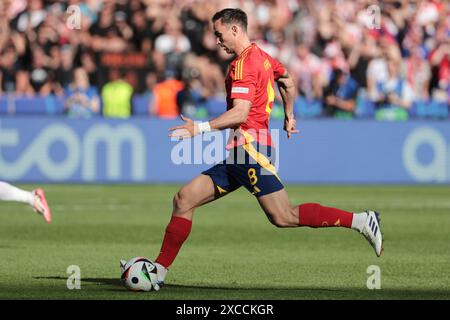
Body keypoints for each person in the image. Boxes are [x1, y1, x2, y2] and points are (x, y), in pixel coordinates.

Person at [148, 8, 383, 289]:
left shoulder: (243, 65)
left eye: (219, 34)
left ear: (235, 30)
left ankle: (361, 220)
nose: (216, 41)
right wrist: (289, 114)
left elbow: (240, 113)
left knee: (283, 216)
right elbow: (287, 81)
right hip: (239, 153)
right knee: (184, 199)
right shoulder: (262, 56)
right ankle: (158, 272)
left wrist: (198, 129)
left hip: (250, 151)